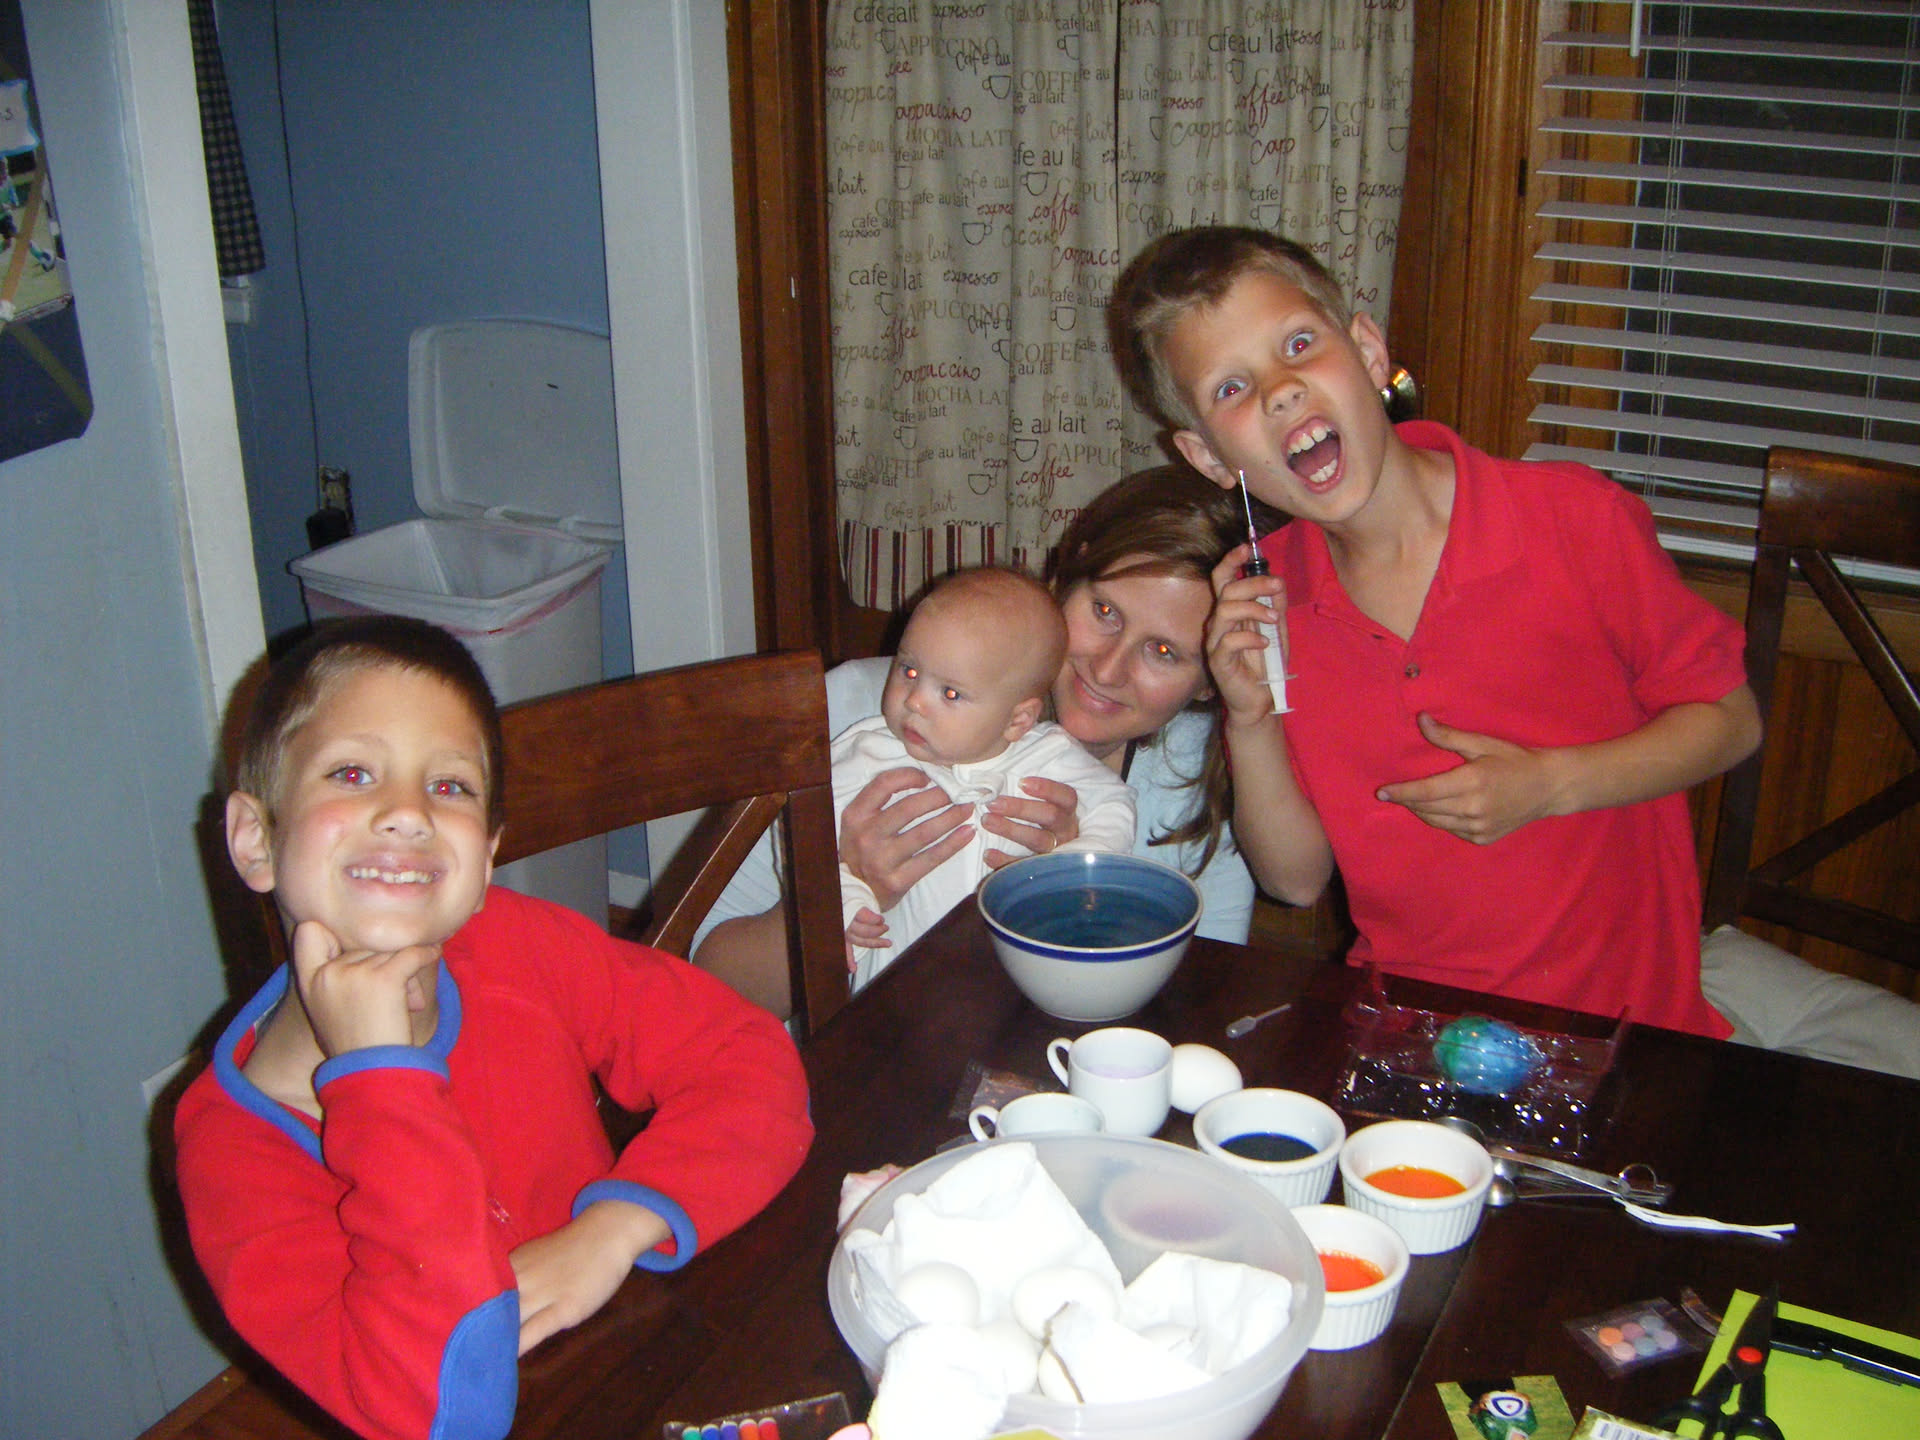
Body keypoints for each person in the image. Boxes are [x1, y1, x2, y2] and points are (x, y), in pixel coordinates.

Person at [1113, 224, 1920, 1076]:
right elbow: (1296, 880)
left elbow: (1729, 720)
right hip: (1412, 1038)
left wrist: (1549, 785)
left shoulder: (1573, 521)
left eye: (1299, 345)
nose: (1280, 392)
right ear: (1209, 458)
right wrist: (1250, 719)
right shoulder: (1275, 607)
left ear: (1369, 350)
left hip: (1628, 1041)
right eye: (1233, 387)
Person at [173, 617, 813, 1440]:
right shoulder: (232, 1154)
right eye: (353, 773)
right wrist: (379, 1078)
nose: (407, 812)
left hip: (627, 1362)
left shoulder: (514, 942)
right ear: (255, 839)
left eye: (450, 786)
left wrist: (614, 1228)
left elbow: (747, 1056)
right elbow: (442, 1409)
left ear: (484, 861)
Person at [693, 467, 1259, 1021]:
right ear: (1067, 579)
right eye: (1105, 612)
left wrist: (1078, 895)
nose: (1108, 670)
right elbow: (707, 985)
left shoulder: (1200, 780)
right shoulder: (857, 714)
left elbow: (1202, 1010)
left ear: (1209, 679)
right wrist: (832, 892)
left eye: (1164, 652)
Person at [836, 566, 1136, 989]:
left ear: (1017, 721)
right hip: (898, 988)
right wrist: (848, 894)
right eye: (909, 670)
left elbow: (1114, 806)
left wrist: (1066, 871)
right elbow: (806, 839)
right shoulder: (870, 752)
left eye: (951, 693)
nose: (915, 701)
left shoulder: (1046, 755)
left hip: (1013, 985)